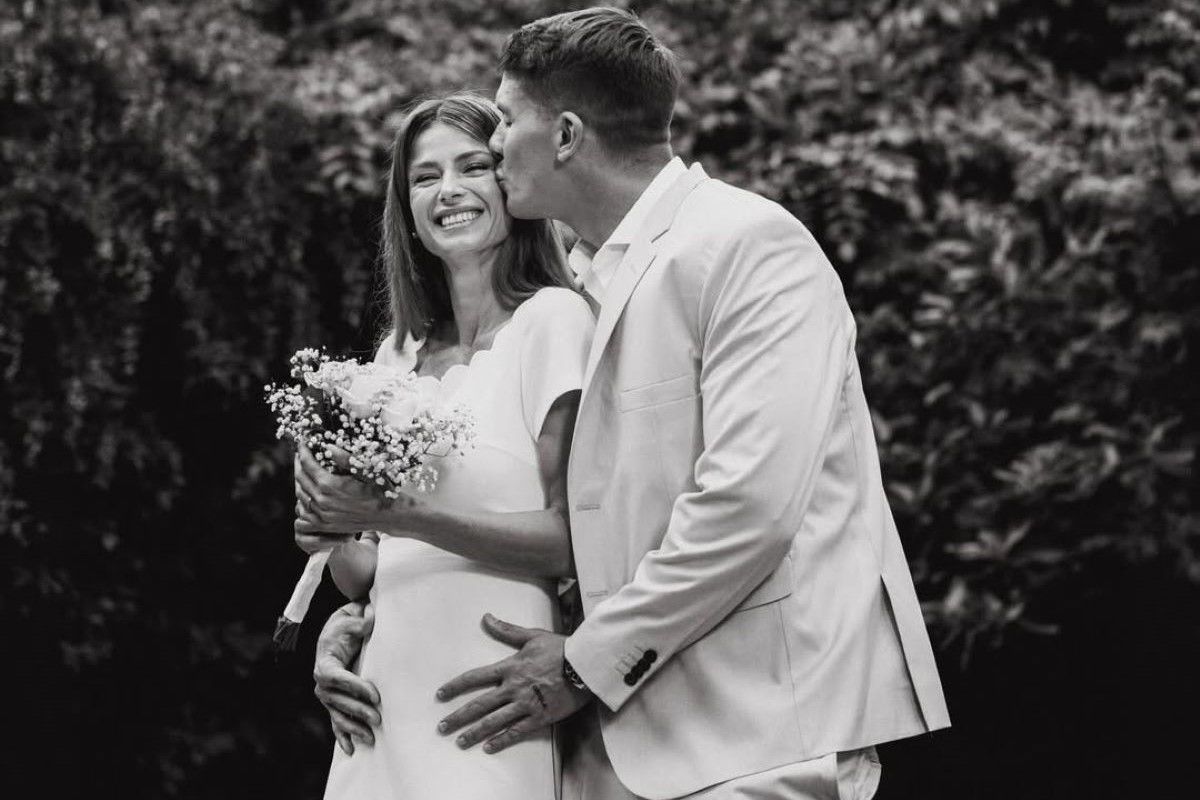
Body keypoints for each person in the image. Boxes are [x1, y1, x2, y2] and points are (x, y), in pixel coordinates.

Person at [315, 7, 952, 799]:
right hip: (599, 753)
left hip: (753, 741)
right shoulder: (570, 289)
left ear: (566, 136)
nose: (496, 143)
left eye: (506, 120)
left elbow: (749, 508)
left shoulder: (749, 245)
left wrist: (583, 665)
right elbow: (582, 524)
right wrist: (371, 626)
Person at [291, 91, 595, 800]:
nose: (449, 190)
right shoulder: (396, 355)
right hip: (381, 697)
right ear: (407, 209)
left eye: (473, 167)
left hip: (489, 688)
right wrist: (330, 527)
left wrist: (402, 516)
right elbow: (370, 571)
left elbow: (575, 541)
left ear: (510, 182)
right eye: (426, 177)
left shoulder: (553, 321)